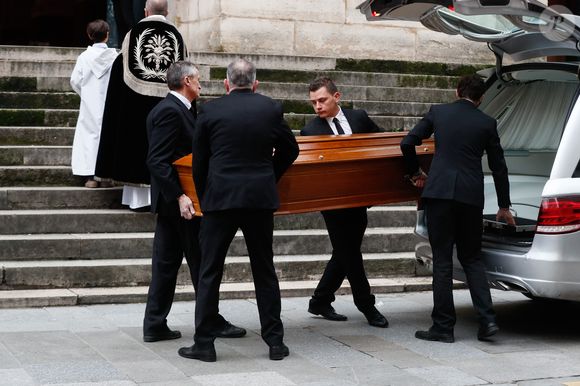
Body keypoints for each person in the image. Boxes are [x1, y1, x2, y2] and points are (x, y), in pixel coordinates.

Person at [178, 59, 299, 362]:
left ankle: (204, 343)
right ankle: (275, 342)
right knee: (264, 269)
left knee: (209, 271)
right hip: (258, 198)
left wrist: (206, 194)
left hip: (220, 198)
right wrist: (269, 175)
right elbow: (291, 149)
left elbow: (199, 161)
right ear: (255, 83)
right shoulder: (271, 108)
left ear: (226, 83)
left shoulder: (210, 110)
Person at [400, 75, 515, 343]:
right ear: (481, 98)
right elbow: (499, 167)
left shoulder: (439, 113)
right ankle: (487, 322)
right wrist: (503, 205)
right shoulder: (487, 122)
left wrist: (414, 172)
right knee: (472, 258)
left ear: (456, 91)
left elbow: (407, 143)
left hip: (439, 194)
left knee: (442, 260)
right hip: (470, 196)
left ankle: (443, 327)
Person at [143, 61, 245, 343]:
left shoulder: (181, 109)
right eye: (198, 79)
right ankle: (209, 321)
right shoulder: (170, 112)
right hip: (181, 204)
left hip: (175, 204)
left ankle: (154, 324)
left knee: (166, 265)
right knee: (202, 263)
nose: (201, 83)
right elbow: (157, 160)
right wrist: (180, 195)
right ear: (187, 81)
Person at [300, 77, 389, 328]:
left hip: (360, 198)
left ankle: (320, 300)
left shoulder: (358, 117)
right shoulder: (310, 131)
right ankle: (367, 305)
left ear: (336, 97)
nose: (317, 106)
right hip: (332, 202)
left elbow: (381, 143)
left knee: (344, 252)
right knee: (350, 252)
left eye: (322, 100)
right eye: (313, 102)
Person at [95, 0, 186, 210]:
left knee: (137, 146)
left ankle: (137, 201)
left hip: (134, 108)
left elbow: (119, 72)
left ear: (145, 11)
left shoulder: (133, 33)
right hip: (168, 107)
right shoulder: (178, 37)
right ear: (168, 11)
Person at [70, 19, 118, 188]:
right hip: (110, 104)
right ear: (108, 35)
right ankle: (106, 176)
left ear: (89, 35)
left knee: (89, 137)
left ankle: (91, 177)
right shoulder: (115, 57)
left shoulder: (84, 57)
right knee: (107, 136)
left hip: (89, 104)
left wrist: (86, 94)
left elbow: (75, 80)